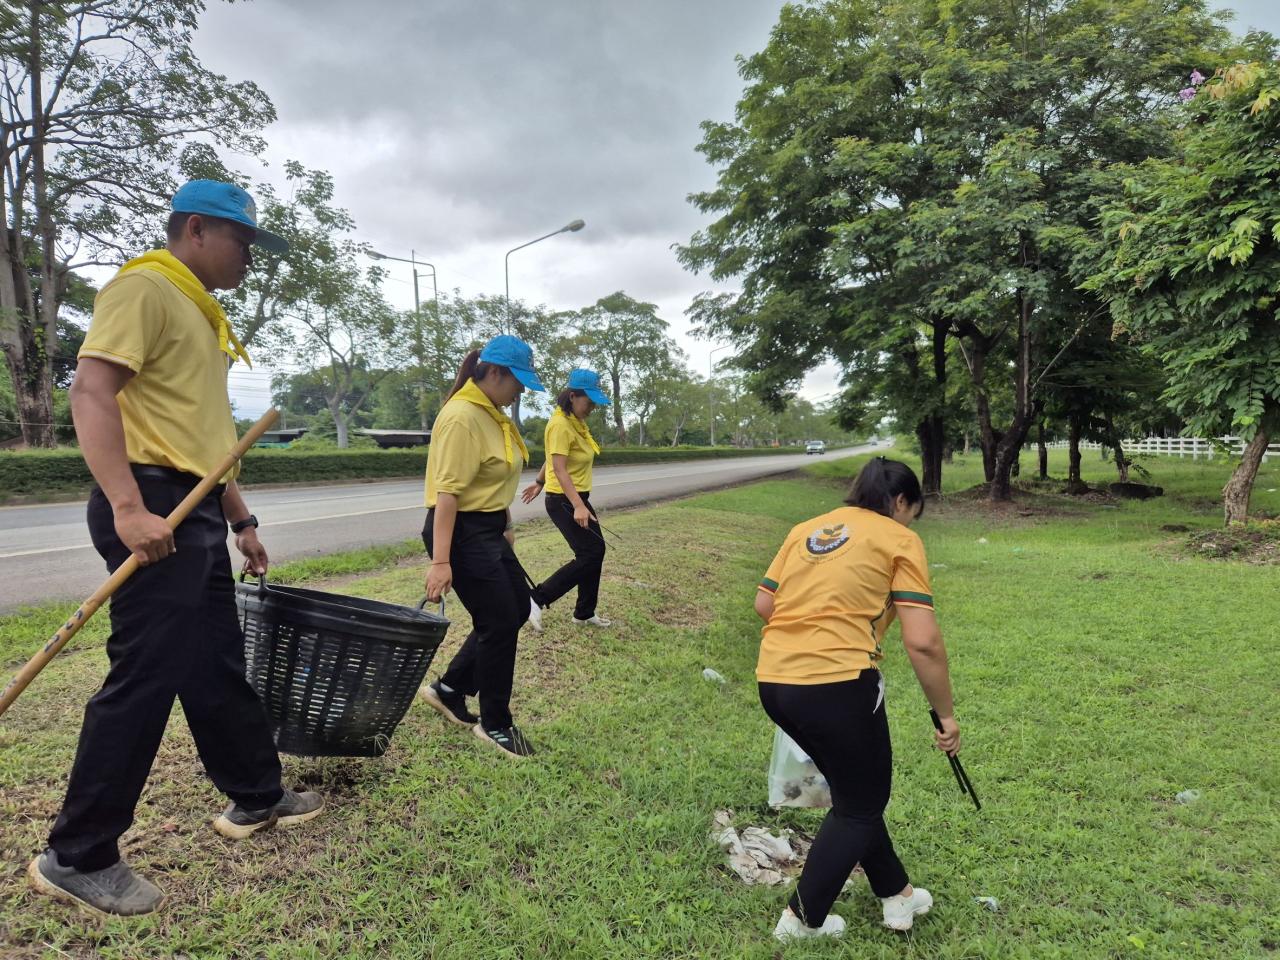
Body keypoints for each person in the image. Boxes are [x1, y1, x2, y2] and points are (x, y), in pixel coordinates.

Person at [28, 180, 324, 918]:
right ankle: (79, 853)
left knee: (216, 660)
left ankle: (257, 793)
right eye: (243, 241)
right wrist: (129, 506)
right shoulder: (145, 289)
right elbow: (91, 391)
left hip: (192, 506)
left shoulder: (200, 313)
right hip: (152, 504)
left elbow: (205, 441)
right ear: (196, 229)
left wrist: (242, 521)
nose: (251, 257)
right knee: (145, 678)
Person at [754, 457, 961, 943]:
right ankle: (802, 921)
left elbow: (765, 603)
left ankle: (897, 893)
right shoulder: (898, 538)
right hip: (839, 683)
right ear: (903, 502)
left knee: (855, 794)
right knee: (862, 804)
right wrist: (946, 716)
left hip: (775, 681)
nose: (911, 522)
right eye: (914, 511)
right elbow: (924, 642)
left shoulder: (806, 529)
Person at [417, 336, 546, 759]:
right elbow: (448, 495)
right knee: (498, 623)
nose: (521, 391)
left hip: (487, 528)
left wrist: (505, 523)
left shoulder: (492, 415)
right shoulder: (462, 417)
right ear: (494, 373)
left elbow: (492, 479)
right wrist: (440, 561)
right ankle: (495, 723)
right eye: (517, 382)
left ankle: (449, 688)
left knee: (511, 612)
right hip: (459, 532)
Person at [520, 368, 611, 630]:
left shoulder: (576, 422)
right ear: (572, 396)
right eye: (588, 401)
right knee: (590, 552)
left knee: (594, 552)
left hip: (575, 496)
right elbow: (559, 468)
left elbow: (554, 459)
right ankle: (536, 597)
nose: (592, 407)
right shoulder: (559, 424)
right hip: (564, 500)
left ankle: (584, 613)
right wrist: (579, 505)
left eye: (594, 402)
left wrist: (538, 482)